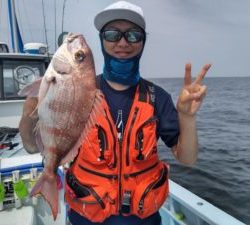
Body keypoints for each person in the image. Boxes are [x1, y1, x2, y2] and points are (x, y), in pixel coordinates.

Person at [66, 1, 211, 225]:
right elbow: (37, 144)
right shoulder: (79, 93)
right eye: (113, 34)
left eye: (133, 35)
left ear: (143, 42)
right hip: (86, 216)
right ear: (102, 40)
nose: (123, 42)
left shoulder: (157, 97)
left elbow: (187, 158)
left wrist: (188, 117)